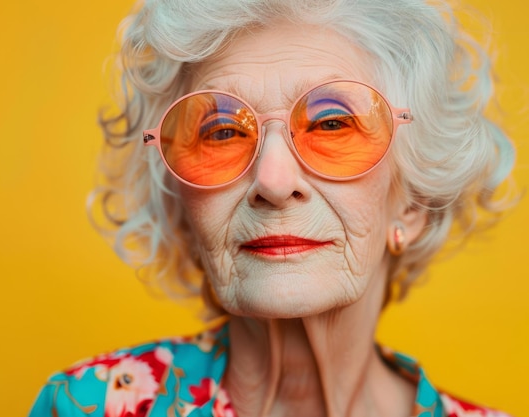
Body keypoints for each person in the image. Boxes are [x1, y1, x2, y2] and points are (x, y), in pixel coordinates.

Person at [29, 0, 516, 416]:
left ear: (411, 202)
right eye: (222, 133)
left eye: (331, 124)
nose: (273, 182)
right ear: (182, 205)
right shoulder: (89, 405)